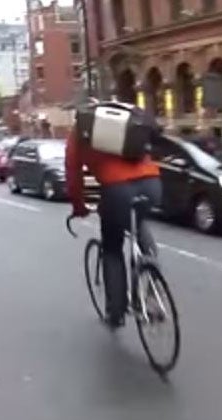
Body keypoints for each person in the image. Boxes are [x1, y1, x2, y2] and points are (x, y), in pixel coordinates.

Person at [65, 107, 162, 328]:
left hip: (117, 190)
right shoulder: (126, 122)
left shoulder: (80, 132)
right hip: (152, 184)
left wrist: (79, 207)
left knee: (111, 248)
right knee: (138, 223)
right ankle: (149, 281)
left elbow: (73, 174)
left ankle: (116, 312)